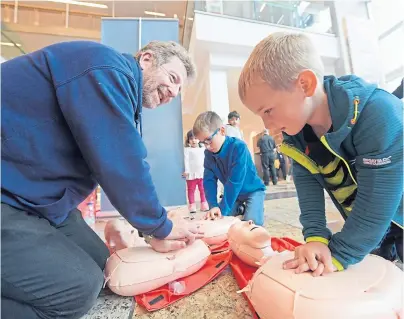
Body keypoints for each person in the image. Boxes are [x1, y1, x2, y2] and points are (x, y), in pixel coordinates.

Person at [1, 40, 201, 319]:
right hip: (7, 193)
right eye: (172, 78)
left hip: (32, 198)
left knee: (102, 262)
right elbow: (121, 158)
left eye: (179, 90)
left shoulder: (116, 90)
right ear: (146, 60)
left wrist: (149, 226)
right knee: (76, 290)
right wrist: (159, 226)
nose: (173, 92)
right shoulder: (104, 67)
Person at [238, 32, 403, 276]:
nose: (267, 125)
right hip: (370, 231)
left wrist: (339, 253)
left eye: (269, 110)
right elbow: (307, 185)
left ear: (305, 84)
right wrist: (316, 237)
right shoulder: (297, 135)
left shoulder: (379, 114)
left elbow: (376, 202)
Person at [192, 111, 266, 226]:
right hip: (234, 195)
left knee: (251, 226)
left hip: (253, 190)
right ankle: (240, 209)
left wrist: (222, 211)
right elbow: (209, 181)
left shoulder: (238, 147)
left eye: (208, 140)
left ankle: (251, 208)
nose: (207, 146)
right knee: (219, 221)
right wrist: (213, 206)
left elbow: (234, 182)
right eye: (203, 143)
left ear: (222, 131)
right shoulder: (209, 154)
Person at [182, 130, 209, 213]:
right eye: (191, 138)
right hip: (191, 173)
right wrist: (186, 171)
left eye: (195, 138)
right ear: (188, 140)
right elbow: (186, 160)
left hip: (201, 172)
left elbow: (206, 160)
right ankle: (192, 205)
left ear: (199, 139)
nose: (193, 140)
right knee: (191, 190)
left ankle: (204, 204)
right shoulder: (187, 150)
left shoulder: (203, 149)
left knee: (203, 189)